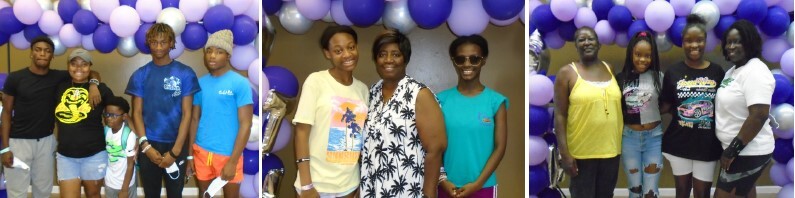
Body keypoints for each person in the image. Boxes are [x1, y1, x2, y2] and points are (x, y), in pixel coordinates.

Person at [1, 36, 101, 198]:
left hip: (46, 143)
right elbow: (6, 112)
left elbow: (90, 71)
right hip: (19, 143)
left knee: (43, 191)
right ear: (31, 53)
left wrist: (93, 84)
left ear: (52, 56)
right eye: (38, 50)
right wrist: (5, 148)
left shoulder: (59, 77)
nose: (42, 54)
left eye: (47, 51)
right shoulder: (16, 78)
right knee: (17, 192)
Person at [360, 30, 447, 198]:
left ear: (405, 59)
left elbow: (436, 149)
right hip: (372, 189)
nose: (388, 60)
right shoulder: (371, 93)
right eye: (382, 54)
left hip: (409, 190)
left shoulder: (419, 94)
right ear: (375, 59)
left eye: (396, 54)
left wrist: (428, 194)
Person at [293, 25, 368, 198]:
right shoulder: (316, 81)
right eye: (338, 50)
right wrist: (306, 185)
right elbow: (301, 133)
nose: (347, 54)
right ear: (328, 53)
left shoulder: (363, 90)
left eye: (351, 47)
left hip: (349, 185)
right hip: (316, 185)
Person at [125, 23, 200, 197]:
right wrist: (145, 146)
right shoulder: (140, 75)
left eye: (163, 42)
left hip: (176, 143)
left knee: (175, 194)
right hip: (149, 143)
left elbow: (187, 114)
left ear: (171, 43)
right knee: (151, 194)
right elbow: (136, 113)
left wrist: (175, 151)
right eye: (154, 42)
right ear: (148, 43)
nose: (158, 47)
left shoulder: (185, 73)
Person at [553, 27, 623, 198]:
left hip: (611, 151)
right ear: (576, 46)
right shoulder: (567, 73)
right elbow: (560, 115)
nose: (586, 43)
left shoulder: (610, 69)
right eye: (581, 40)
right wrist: (564, 154)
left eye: (590, 39)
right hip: (581, 154)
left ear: (598, 44)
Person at [660, 14, 725, 198]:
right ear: (682, 42)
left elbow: (723, 107)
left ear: (705, 42)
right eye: (689, 41)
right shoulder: (673, 72)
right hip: (679, 142)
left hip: (707, 144)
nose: (694, 45)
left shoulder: (717, 71)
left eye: (699, 40)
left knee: (702, 193)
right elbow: (666, 105)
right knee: (681, 191)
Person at [437, 34, 507, 198]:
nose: (467, 64)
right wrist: (442, 180)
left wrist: (477, 184)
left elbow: (500, 148)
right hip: (447, 187)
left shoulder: (496, 101)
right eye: (460, 59)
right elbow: (434, 146)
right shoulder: (440, 100)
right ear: (454, 61)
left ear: (483, 60)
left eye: (474, 59)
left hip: (483, 186)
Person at [188, 30, 253, 197]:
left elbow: (246, 123)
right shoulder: (200, 83)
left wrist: (232, 161)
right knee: (205, 194)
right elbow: (194, 119)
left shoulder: (240, 83)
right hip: (202, 151)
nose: (212, 56)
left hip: (228, 154)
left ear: (228, 56)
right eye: (209, 51)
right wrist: (190, 155)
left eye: (219, 51)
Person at [714, 20, 775, 198]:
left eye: (737, 41)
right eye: (728, 42)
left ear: (750, 43)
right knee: (744, 192)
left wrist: (732, 150)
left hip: (748, 151)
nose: (731, 46)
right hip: (739, 151)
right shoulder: (734, 70)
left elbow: (759, 115)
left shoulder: (756, 71)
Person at [54, 49, 115, 198]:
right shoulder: (59, 86)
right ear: (68, 66)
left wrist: (93, 84)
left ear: (90, 66)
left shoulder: (101, 89)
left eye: (84, 64)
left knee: (93, 195)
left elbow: (120, 111)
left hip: (94, 154)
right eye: (74, 64)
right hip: (66, 156)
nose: (79, 68)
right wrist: (93, 82)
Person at [616, 31, 664, 198]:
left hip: (654, 138)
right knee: (634, 189)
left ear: (653, 57)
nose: (642, 59)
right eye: (638, 54)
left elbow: (666, 104)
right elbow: (618, 109)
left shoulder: (659, 77)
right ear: (631, 54)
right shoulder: (621, 79)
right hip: (630, 139)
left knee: (651, 191)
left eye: (647, 56)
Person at [103, 97, 138, 198]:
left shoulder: (128, 135)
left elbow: (130, 165)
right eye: (107, 114)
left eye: (114, 115)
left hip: (126, 184)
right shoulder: (106, 131)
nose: (109, 118)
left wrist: (124, 189)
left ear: (124, 117)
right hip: (110, 182)